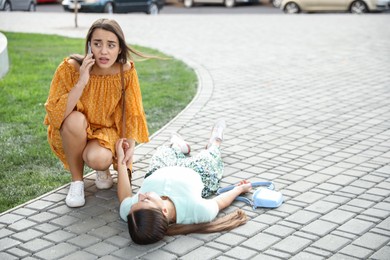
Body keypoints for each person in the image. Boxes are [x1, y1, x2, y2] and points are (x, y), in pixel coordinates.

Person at [43, 18, 149, 208]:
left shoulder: (126, 71)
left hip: (107, 132)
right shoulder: (70, 68)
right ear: (89, 46)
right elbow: (56, 115)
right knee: (74, 119)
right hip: (75, 129)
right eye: (97, 44)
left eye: (111, 45)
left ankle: (103, 169)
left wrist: (130, 146)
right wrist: (82, 80)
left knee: (98, 159)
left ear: (119, 48)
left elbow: (133, 111)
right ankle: (77, 182)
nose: (104, 51)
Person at [116, 119, 252, 245]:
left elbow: (124, 197)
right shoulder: (197, 211)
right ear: (163, 210)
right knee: (208, 159)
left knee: (161, 153)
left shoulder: (133, 213)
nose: (139, 196)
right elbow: (219, 202)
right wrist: (239, 189)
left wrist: (121, 161)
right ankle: (214, 142)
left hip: (161, 168)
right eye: (145, 200)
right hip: (195, 172)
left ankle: (178, 146)